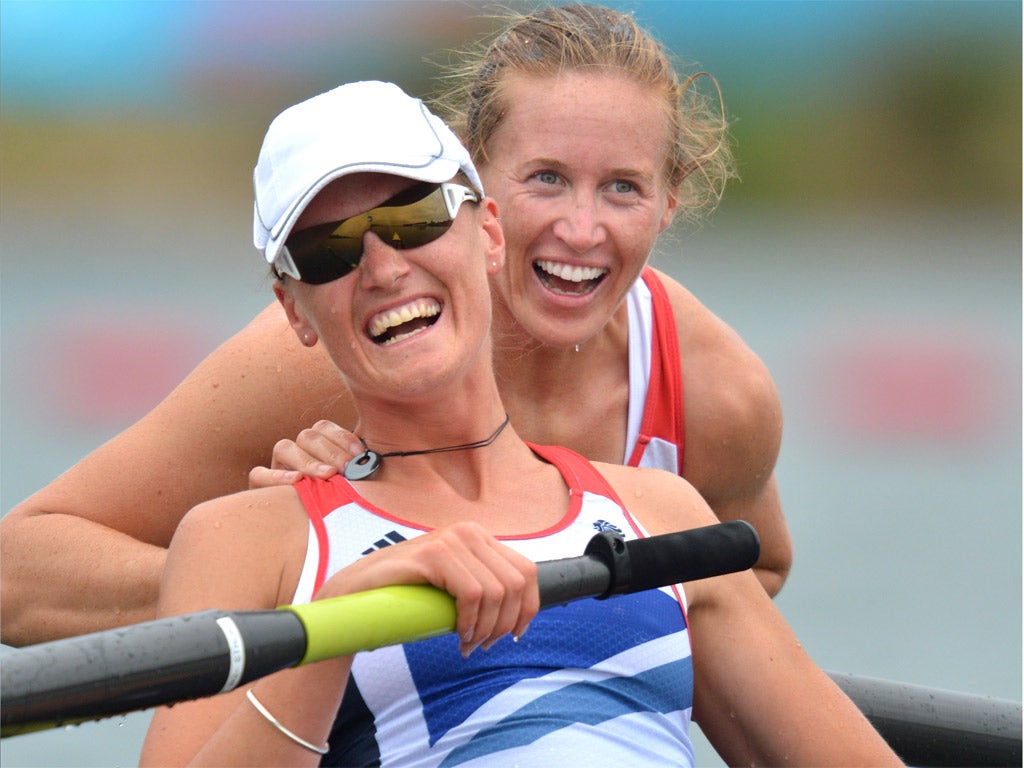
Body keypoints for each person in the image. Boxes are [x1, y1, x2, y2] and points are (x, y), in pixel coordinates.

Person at [138, 80, 898, 768]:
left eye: (413, 216)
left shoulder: (663, 514)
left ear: (490, 233)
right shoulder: (247, 542)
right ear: (294, 310)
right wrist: (333, 629)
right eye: (326, 251)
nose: (382, 268)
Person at [0, 4, 790, 647]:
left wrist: (561, 624)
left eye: (622, 189)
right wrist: (292, 562)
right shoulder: (337, 348)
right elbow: (18, 575)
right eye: (546, 179)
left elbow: (760, 571)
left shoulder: (719, 394)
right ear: (474, 185)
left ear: (669, 203)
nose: (581, 232)